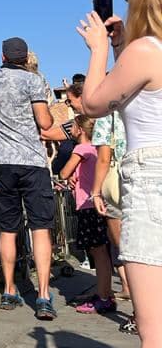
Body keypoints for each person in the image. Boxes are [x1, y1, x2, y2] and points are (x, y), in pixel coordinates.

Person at [79, 0, 162, 348]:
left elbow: (91, 102)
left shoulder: (144, 51)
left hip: (153, 183)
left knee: (155, 330)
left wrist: (96, 49)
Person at [0, 37, 57, 319]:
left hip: (3, 162)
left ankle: (10, 289)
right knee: (40, 228)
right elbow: (45, 122)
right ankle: (43, 296)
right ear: (25, 58)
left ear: (3, 56)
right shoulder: (33, 81)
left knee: (8, 229)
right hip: (32, 161)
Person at [59, 115, 115, 314]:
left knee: (97, 252)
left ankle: (103, 297)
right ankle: (105, 291)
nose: (70, 130)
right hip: (99, 204)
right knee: (103, 251)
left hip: (87, 204)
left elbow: (64, 173)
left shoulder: (81, 149)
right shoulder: (96, 149)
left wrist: (66, 176)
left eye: (72, 126)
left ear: (80, 130)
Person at [92, 109, 133, 310]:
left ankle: (140, 314)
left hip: (121, 185)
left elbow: (103, 158)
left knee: (128, 252)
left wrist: (95, 192)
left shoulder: (108, 113)